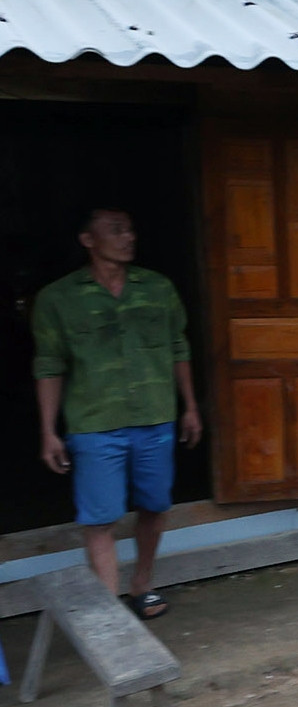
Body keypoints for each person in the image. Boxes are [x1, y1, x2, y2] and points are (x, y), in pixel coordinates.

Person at [31, 207, 202, 619]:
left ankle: (142, 584)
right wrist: (48, 431)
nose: (128, 237)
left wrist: (190, 406)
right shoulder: (58, 298)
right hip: (94, 424)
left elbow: (179, 347)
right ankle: (110, 609)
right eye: (116, 230)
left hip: (155, 417)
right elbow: (49, 365)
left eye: (130, 229)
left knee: (155, 506)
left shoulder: (157, 289)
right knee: (100, 518)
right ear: (88, 240)